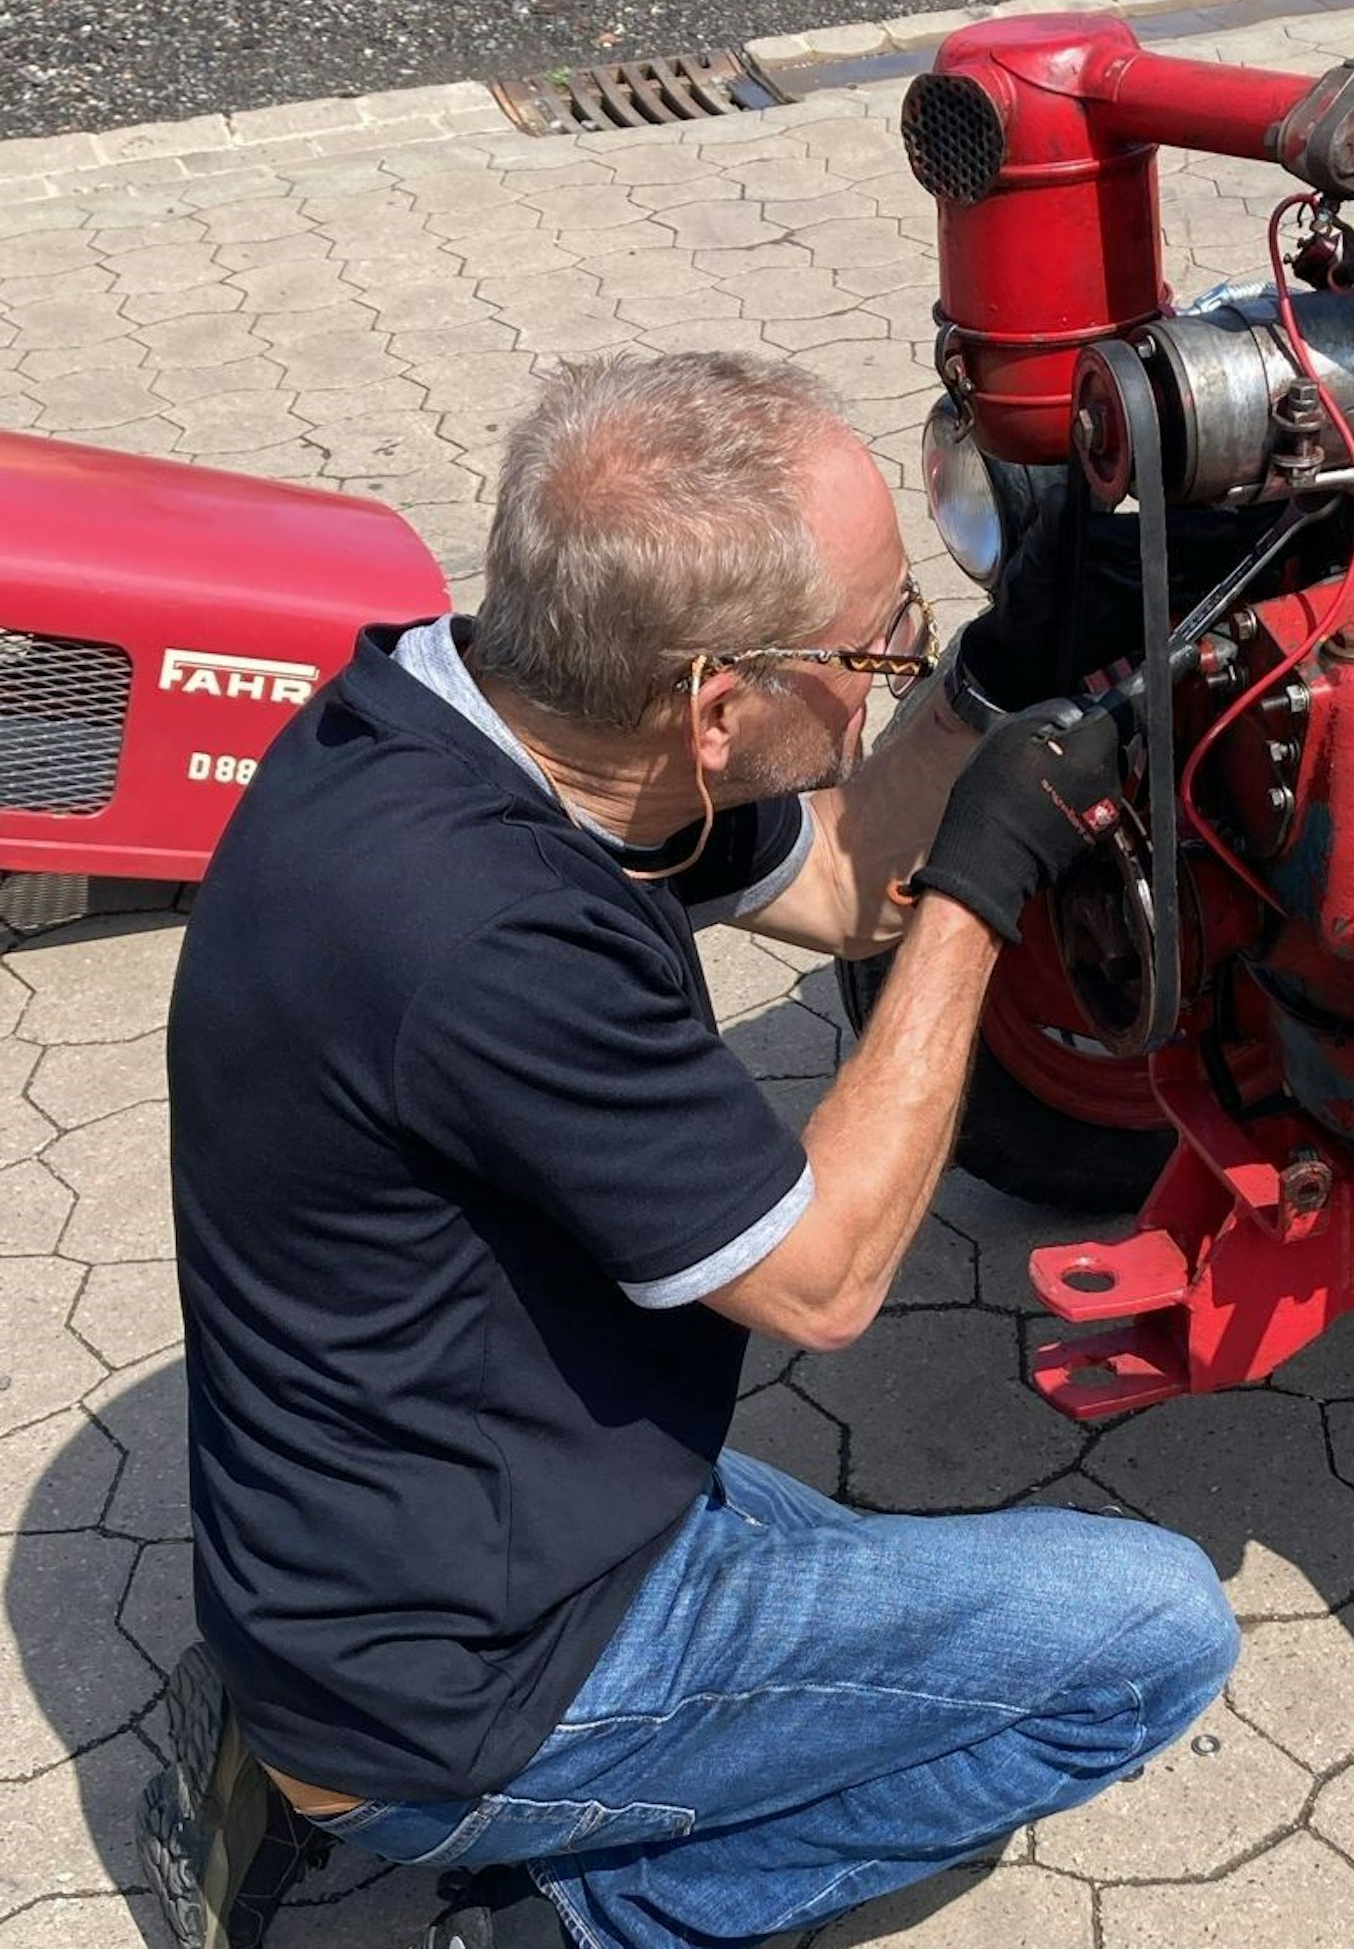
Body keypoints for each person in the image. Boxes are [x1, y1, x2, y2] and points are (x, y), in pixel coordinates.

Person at [141, 351, 1240, 1949]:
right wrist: (988, 884)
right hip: (466, 1675)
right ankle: (588, 1915)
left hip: (429, 1529)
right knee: (1143, 1635)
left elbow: (848, 881)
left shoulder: (480, 712)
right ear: (716, 707)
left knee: (913, 1603)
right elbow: (832, 1278)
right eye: (881, 646)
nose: (893, 676)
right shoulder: (485, 944)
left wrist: (1006, 668)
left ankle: (329, 1754)